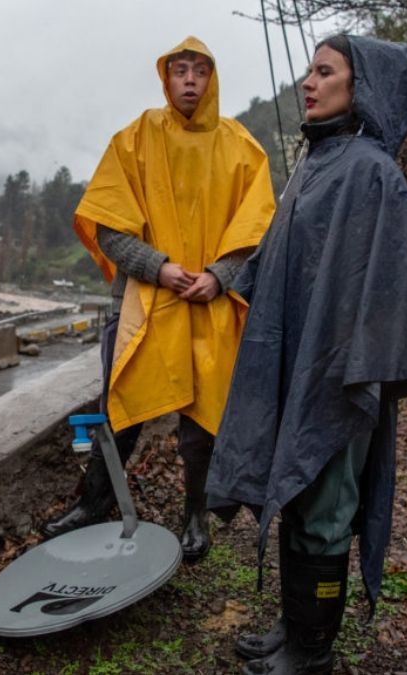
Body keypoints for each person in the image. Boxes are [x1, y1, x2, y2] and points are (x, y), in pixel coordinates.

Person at [206, 35, 407, 674]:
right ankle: (295, 626)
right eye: (309, 70)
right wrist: (227, 280)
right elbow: (286, 264)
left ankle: (313, 652)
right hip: (300, 363)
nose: (308, 82)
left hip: (339, 376)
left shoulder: (372, 173)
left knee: (326, 506)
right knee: (299, 490)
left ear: (358, 86)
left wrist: (349, 366)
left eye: (324, 71)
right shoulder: (320, 163)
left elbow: (390, 287)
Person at [41, 36, 275, 561]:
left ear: (213, 79)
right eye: (180, 70)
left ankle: (196, 515)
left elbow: (258, 236)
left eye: (200, 71)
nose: (190, 80)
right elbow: (108, 228)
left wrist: (218, 276)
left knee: (201, 420)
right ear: (165, 78)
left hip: (209, 305)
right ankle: (94, 502)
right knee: (122, 406)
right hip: (146, 302)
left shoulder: (243, 149)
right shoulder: (136, 139)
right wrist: (160, 268)